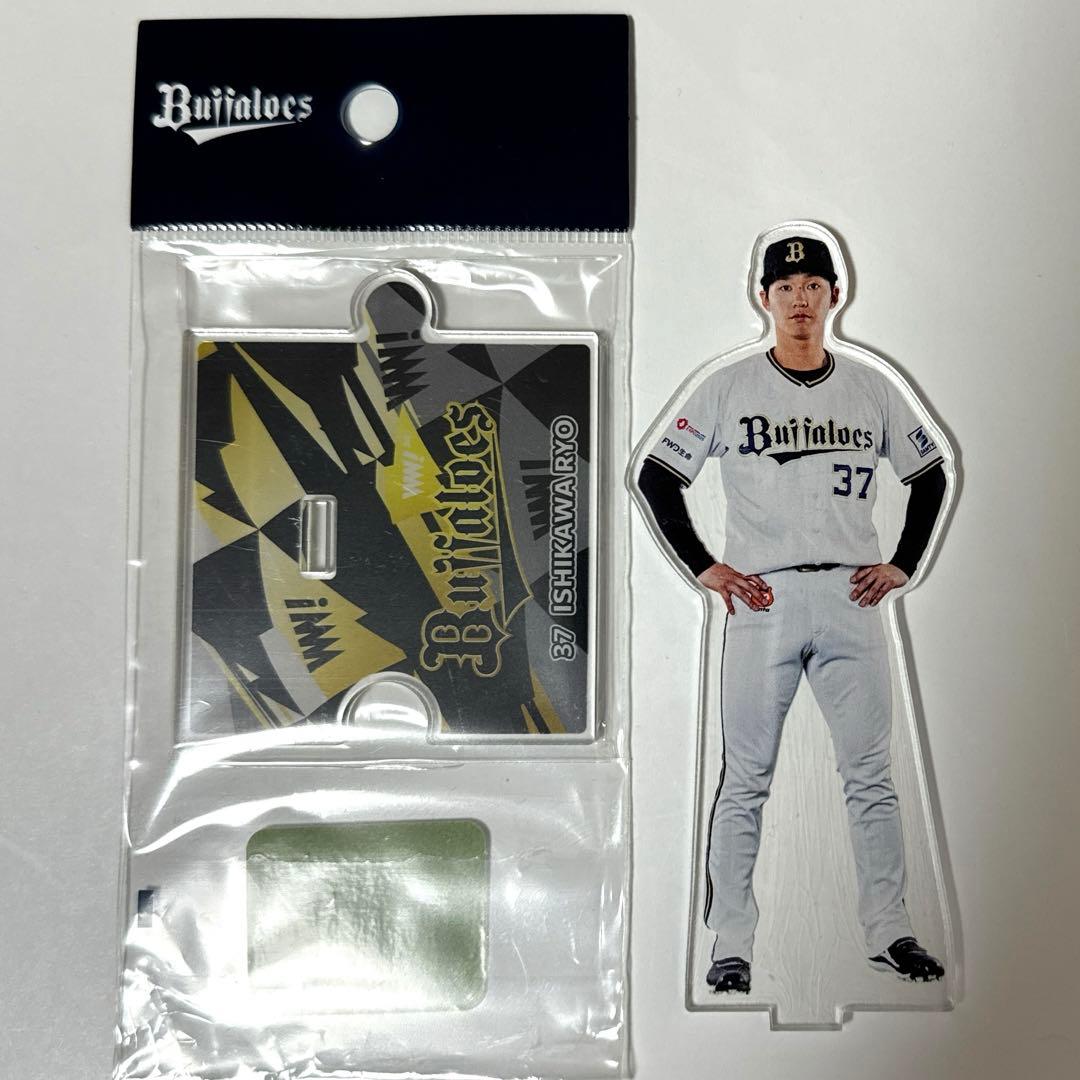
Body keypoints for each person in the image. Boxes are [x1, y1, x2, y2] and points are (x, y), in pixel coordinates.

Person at [637, 232, 950, 993]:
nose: (800, 298)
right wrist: (705, 567)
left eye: (813, 285)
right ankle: (731, 943)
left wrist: (903, 563)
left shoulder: (870, 387)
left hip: (850, 593)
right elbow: (656, 475)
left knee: (870, 775)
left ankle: (890, 931)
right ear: (764, 298)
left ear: (834, 295)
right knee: (745, 777)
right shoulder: (731, 386)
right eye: (786, 287)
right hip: (764, 596)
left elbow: (931, 472)